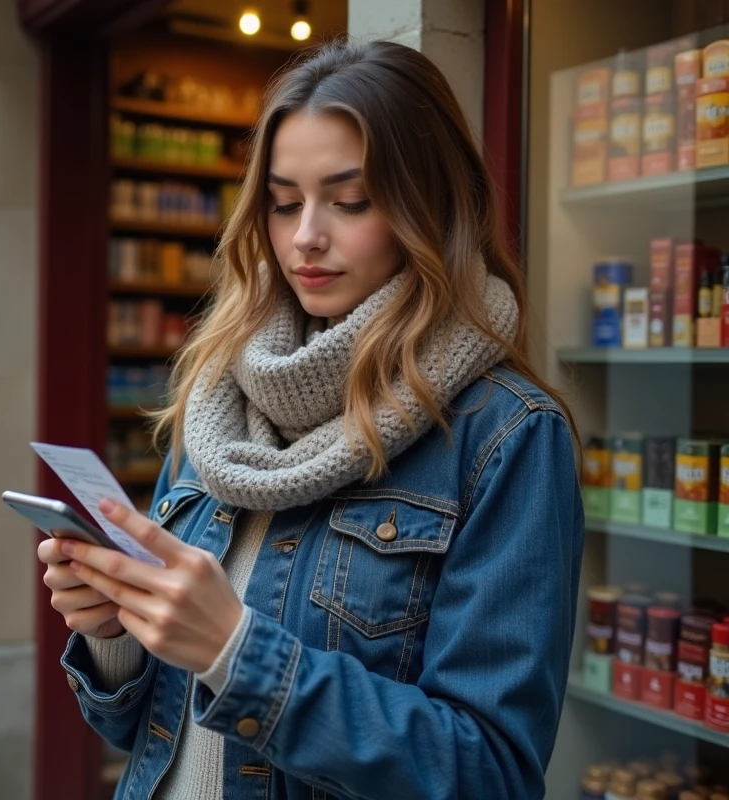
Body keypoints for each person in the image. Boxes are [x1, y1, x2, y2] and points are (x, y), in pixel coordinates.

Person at [37, 40, 585, 800]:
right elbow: (150, 733)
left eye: (350, 200)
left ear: (429, 206)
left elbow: (489, 771)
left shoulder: (506, 435)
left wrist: (238, 655)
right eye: (284, 201)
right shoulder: (218, 393)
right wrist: (117, 637)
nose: (305, 238)